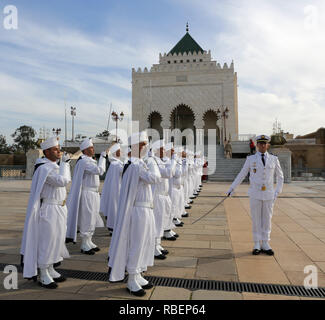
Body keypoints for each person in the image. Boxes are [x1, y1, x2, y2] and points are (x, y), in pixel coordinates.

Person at [108, 131, 161, 297]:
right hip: (138, 210)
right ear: (136, 146)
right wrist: (152, 163)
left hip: (146, 208)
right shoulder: (135, 165)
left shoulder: (139, 163)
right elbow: (155, 178)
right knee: (137, 244)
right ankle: (131, 278)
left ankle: (138, 273)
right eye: (144, 144)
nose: (146, 148)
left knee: (145, 243)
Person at [20, 137, 71, 289]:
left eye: (58, 148)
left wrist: (63, 165)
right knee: (47, 242)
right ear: (47, 152)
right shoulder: (44, 168)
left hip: (60, 208)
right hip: (49, 209)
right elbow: (62, 181)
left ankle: (50, 268)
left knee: (57, 240)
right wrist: (65, 165)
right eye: (55, 149)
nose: (59, 151)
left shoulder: (53, 166)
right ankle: (43, 272)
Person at [226, 135, 284, 255]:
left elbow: (280, 176)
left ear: (267, 145)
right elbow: (242, 174)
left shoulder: (274, 159)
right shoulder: (250, 159)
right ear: (257, 145)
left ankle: (266, 242)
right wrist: (232, 188)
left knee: (267, 219)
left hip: (269, 194)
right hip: (255, 193)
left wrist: (277, 192)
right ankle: (257, 243)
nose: (262, 145)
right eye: (260, 143)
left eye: (264, 143)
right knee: (256, 219)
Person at [66, 138, 107, 255]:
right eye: (90, 148)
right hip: (87, 193)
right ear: (84, 150)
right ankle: (84, 243)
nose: (93, 149)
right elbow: (100, 170)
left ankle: (89, 241)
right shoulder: (85, 162)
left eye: (93, 147)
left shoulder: (89, 160)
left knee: (92, 217)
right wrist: (103, 157)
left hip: (93, 193)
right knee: (87, 218)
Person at [145, 139, 176, 258]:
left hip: (163, 195)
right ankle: (153, 247)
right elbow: (168, 173)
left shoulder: (159, 161)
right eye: (162, 149)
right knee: (156, 223)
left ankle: (157, 244)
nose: (165, 151)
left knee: (161, 222)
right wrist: (173, 160)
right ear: (157, 150)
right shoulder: (154, 162)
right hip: (157, 196)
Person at [100, 143, 123, 234]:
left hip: (117, 189)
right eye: (119, 151)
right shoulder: (116, 164)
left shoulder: (115, 163)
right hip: (117, 190)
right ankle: (113, 228)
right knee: (115, 209)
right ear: (116, 153)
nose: (121, 152)